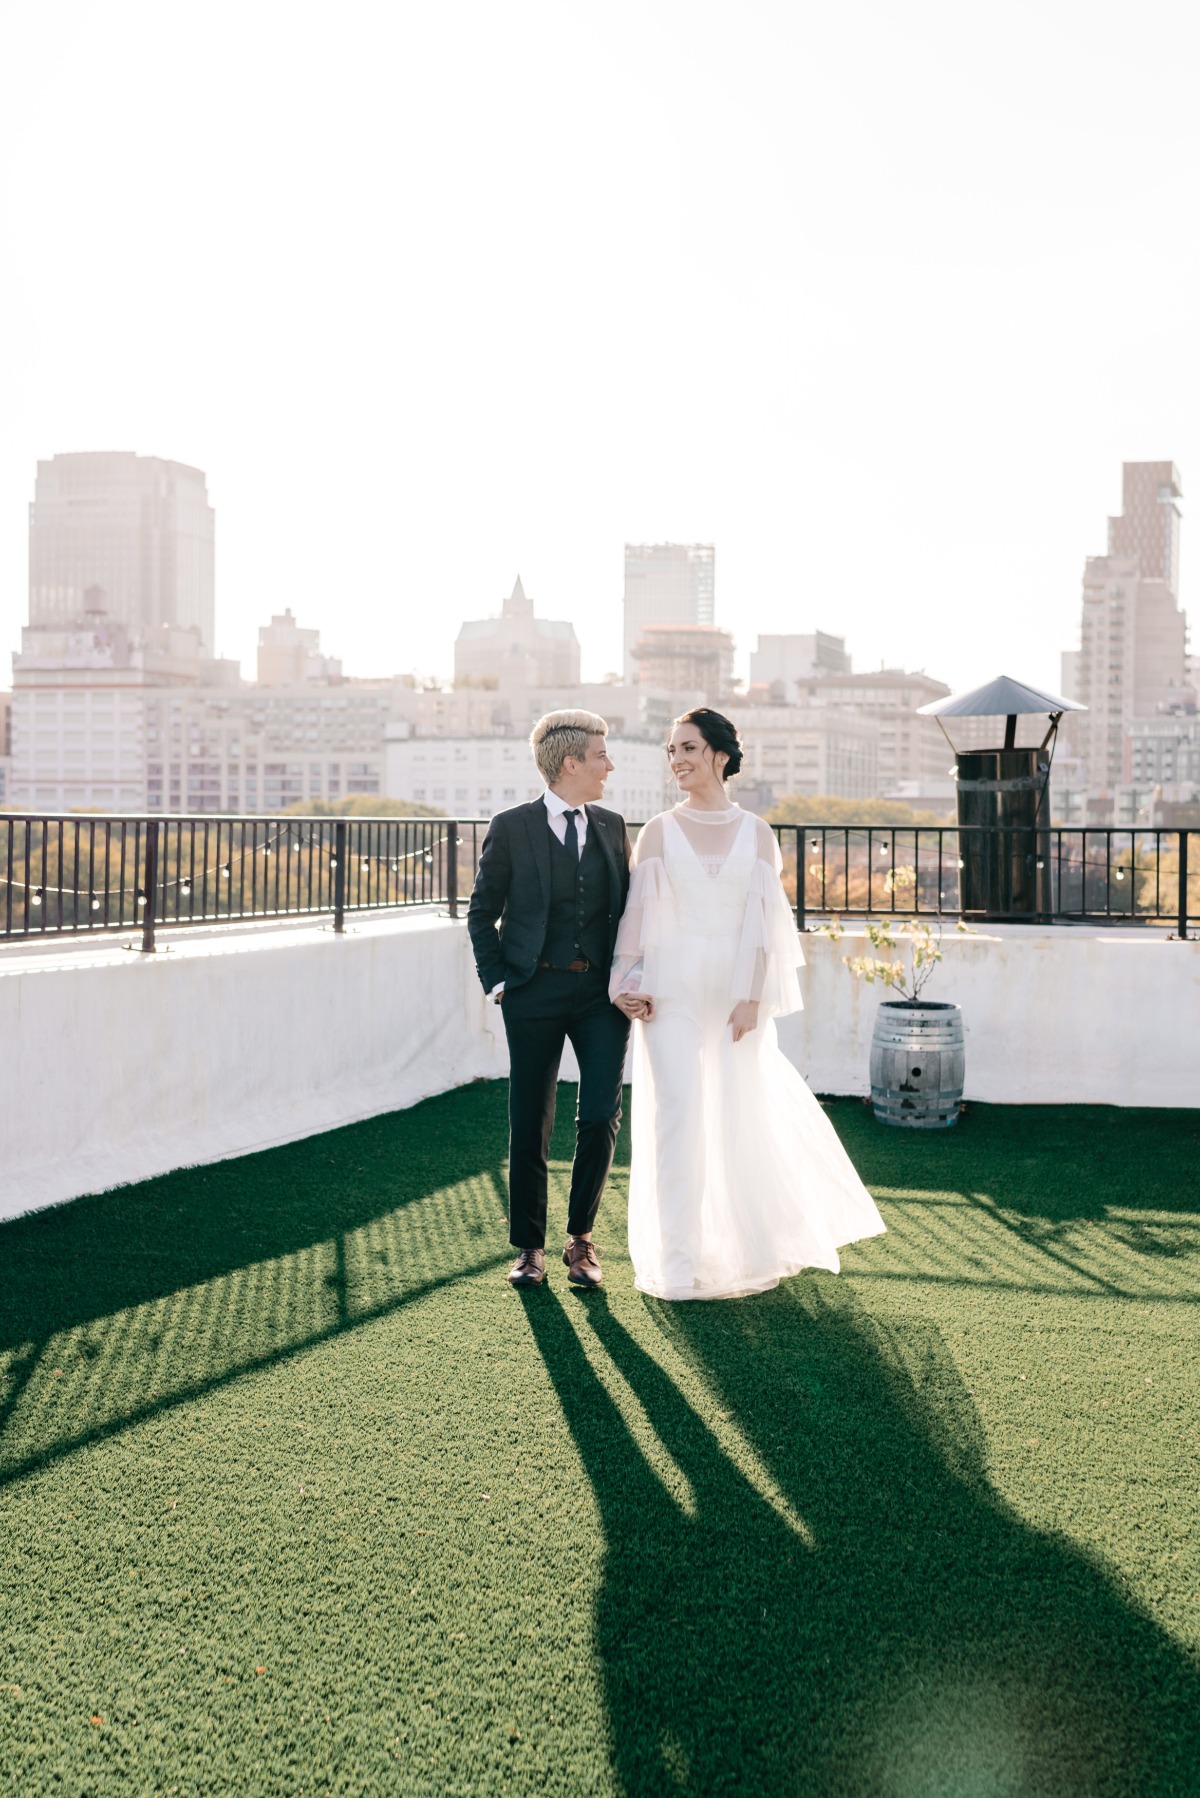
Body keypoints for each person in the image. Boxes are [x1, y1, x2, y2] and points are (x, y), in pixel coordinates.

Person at [610, 708, 886, 1300]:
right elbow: (635, 920)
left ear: (720, 755)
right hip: (670, 995)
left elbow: (762, 927)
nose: (677, 759)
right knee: (679, 1116)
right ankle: (678, 1263)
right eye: (671, 751)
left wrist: (751, 1000)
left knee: (736, 1117)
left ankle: (741, 1250)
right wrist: (622, 982)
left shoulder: (758, 832)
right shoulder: (658, 829)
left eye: (687, 747)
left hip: (735, 1000)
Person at [467, 710, 644, 1290]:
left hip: (600, 996)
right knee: (530, 1120)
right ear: (570, 764)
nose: (609, 766)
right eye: (601, 756)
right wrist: (498, 981)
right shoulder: (512, 826)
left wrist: (634, 978)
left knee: (599, 1115)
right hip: (532, 991)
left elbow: (634, 914)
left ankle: (581, 1242)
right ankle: (529, 1248)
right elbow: (481, 912)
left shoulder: (614, 825)